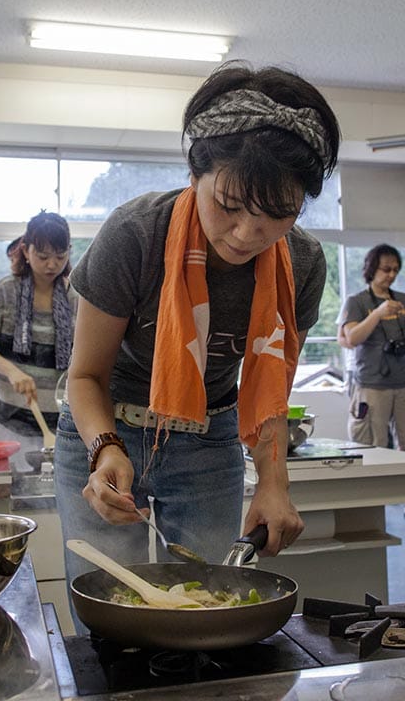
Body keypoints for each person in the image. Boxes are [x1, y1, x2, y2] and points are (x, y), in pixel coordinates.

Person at [54, 61, 340, 593]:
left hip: (210, 437)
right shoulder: (137, 235)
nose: (248, 233)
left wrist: (274, 483)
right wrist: (104, 449)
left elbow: (271, 392)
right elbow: (85, 377)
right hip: (105, 424)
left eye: (279, 213)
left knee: (210, 599)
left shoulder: (301, 263)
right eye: (228, 205)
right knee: (109, 597)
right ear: (194, 175)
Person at [0, 212, 76, 449]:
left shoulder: (76, 297)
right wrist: (11, 371)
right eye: (43, 256)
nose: (52, 264)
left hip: (58, 423)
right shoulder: (7, 291)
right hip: (2, 418)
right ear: (25, 251)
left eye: (60, 256)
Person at [341, 244, 405, 524]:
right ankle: (371, 506)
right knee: (372, 445)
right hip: (371, 382)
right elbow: (352, 338)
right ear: (371, 269)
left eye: (395, 270)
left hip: (404, 379)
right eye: (385, 269)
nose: (391, 275)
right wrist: (378, 313)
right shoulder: (356, 301)